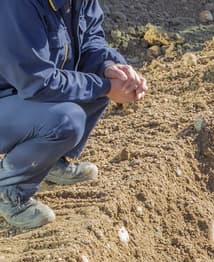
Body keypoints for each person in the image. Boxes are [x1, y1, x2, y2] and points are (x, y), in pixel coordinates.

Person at [0, 0, 148, 231]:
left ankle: (48, 162)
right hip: (13, 96)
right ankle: (9, 190)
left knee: (98, 83)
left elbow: (91, 41)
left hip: (21, 94)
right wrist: (106, 87)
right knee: (66, 120)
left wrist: (109, 68)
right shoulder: (16, 5)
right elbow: (37, 81)